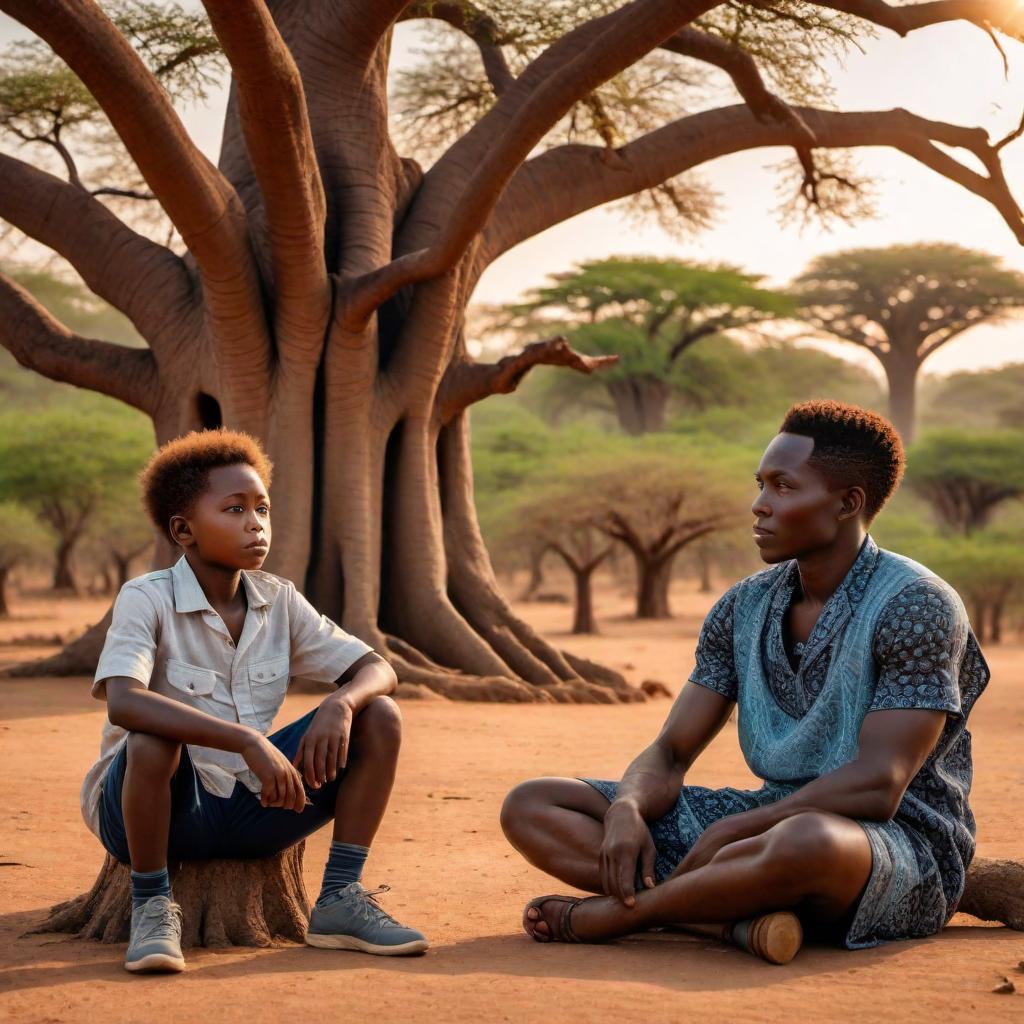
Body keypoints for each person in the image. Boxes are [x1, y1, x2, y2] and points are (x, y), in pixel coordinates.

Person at [501, 401, 989, 957]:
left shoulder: (916, 604)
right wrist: (627, 808)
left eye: (783, 487)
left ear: (847, 504)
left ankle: (628, 916)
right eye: (760, 484)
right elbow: (670, 751)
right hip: (762, 827)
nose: (759, 505)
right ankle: (720, 920)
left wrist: (739, 829)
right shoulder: (744, 606)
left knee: (805, 841)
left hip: (890, 845)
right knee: (534, 804)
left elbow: (879, 784)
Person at [81, 429, 428, 973]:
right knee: (152, 737)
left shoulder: (279, 599)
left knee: (378, 712)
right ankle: (151, 905)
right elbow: (124, 703)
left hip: (255, 803)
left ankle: (339, 896)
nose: (255, 522)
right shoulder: (146, 597)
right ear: (183, 530)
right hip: (160, 810)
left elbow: (377, 669)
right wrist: (247, 741)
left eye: (262, 508)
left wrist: (341, 704)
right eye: (235, 508)